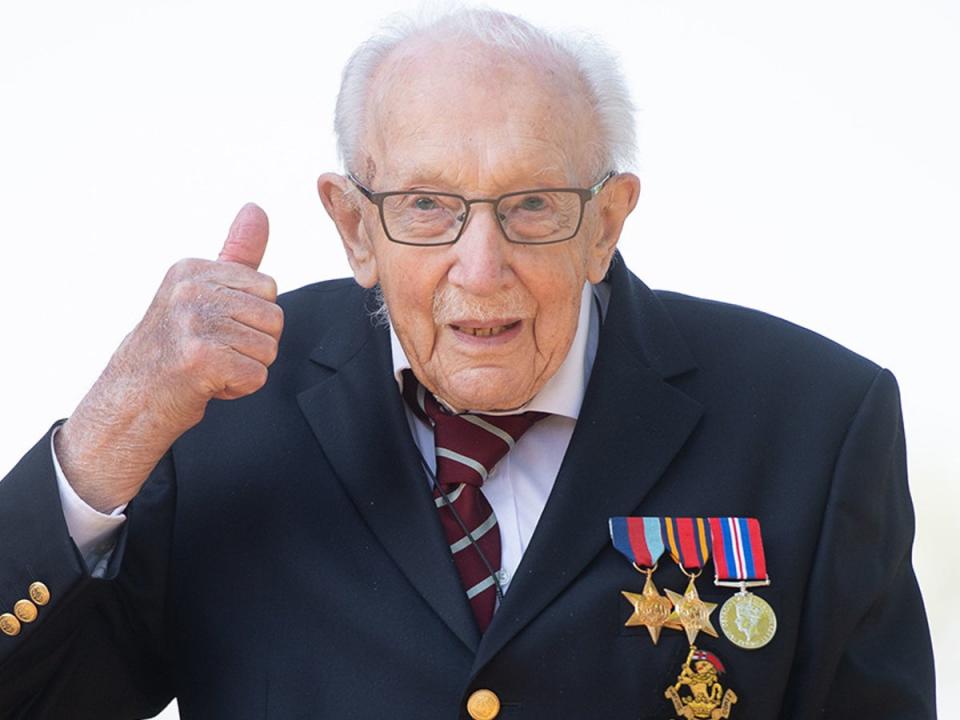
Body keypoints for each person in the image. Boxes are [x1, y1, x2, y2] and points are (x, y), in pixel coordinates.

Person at [0, 7, 936, 719]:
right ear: (354, 227)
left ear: (606, 224)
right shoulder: (220, 406)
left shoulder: (817, 421)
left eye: (532, 204)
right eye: (425, 206)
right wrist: (111, 430)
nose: (481, 267)